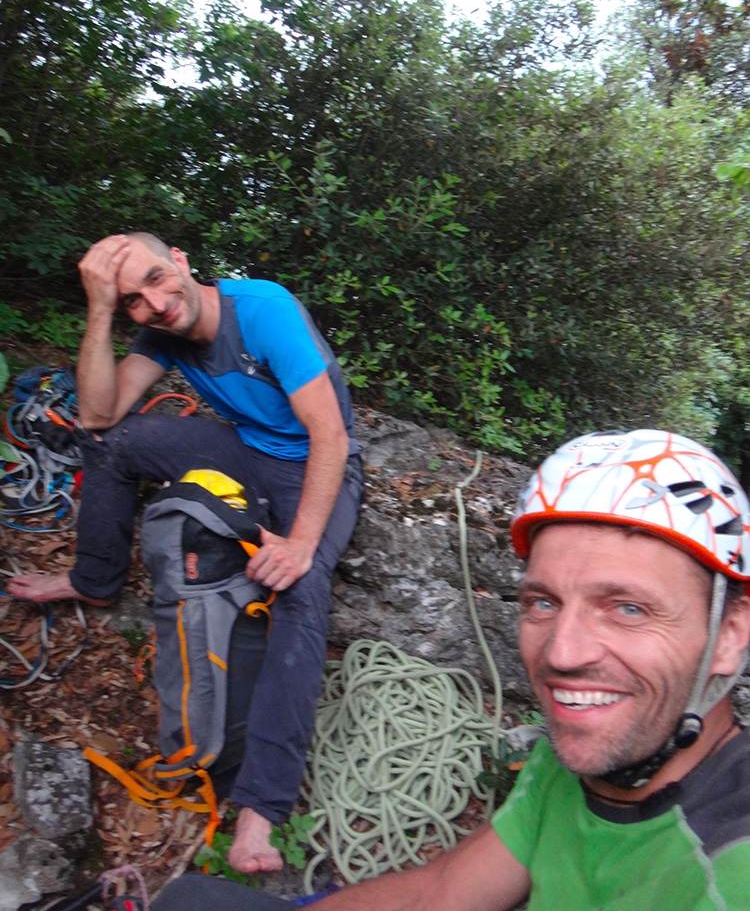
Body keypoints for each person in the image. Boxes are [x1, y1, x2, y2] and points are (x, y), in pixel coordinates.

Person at [152, 428, 750, 910]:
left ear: (729, 636)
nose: (563, 655)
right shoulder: (587, 751)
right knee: (187, 898)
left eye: (627, 608)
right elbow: (441, 892)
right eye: (543, 602)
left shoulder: (729, 867)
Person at [6, 232, 364, 876]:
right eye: (132, 302)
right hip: (244, 450)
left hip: (315, 463)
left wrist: (303, 542)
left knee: (300, 590)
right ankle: (95, 579)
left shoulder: (262, 309)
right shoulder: (156, 330)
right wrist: (98, 310)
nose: (156, 304)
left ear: (182, 262)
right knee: (115, 444)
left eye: (156, 279)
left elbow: (330, 433)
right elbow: (97, 414)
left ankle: (260, 807)